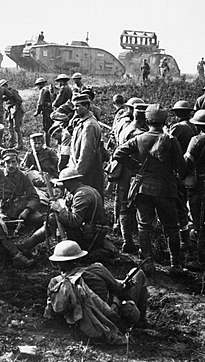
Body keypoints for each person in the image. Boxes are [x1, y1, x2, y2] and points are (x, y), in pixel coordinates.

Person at [113, 104, 187, 275]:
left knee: (144, 225)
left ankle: (147, 262)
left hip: (143, 189)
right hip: (166, 190)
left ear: (147, 120)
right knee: (171, 228)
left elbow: (118, 154)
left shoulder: (139, 139)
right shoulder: (171, 140)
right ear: (164, 121)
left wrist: (137, 167)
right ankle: (175, 265)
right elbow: (182, 167)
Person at [43, 241, 149, 344]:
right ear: (79, 259)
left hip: (81, 326)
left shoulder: (55, 282)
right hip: (111, 319)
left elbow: (52, 311)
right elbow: (119, 289)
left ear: (57, 263)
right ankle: (141, 323)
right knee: (138, 273)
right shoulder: (96, 269)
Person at [19, 168, 105, 254]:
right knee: (52, 217)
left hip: (89, 237)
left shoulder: (81, 196)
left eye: (64, 182)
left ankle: (27, 245)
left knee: (52, 219)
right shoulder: (83, 190)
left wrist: (59, 209)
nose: (63, 185)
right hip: (89, 231)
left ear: (70, 182)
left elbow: (75, 221)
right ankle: (28, 244)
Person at [183, 110, 205, 271]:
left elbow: (187, 162)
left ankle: (200, 259)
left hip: (198, 185)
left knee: (198, 221)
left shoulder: (196, 140)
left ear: (197, 125)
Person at [114, 102, 148, 254]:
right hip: (132, 174)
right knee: (133, 206)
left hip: (124, 172)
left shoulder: (126, 127)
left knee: (123, 205)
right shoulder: (138, 133)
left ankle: (127, 241)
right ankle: (130, 242)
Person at [169, 100, 198, 248]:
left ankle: (183, 239)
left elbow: (167, 145)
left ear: (177, 114)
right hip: (192, 170)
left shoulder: (178, 128)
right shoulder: (195, 126)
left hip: (179, 171)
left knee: (178, 204)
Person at [0, 148, 42, 229]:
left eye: (13, 162)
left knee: (38, 218)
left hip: (19, 209)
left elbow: (34, 197)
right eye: (8, 162)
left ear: (18, 161)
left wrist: (26, 210)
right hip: (1, 209)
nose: (11, 165)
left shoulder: (23, 176)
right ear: (4, 163)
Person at [69, 93, 104, 196]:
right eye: (74, 106)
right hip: (84, 169)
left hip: (89, 172)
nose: (75, 109)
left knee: (89, 200)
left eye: (78, 106)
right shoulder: (82, 122)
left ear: (87, 106)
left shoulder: (89, 125)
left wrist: (77, 175)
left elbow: (86, 154)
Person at [0, 79, 25, 150]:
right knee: (10, 127)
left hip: (16, 111)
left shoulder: (13, 91)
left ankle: (20, 144)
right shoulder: (5, 94)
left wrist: (15, 107)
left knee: (16, 127)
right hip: (10, 111)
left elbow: (19, 100)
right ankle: (11, 142)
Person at [34, 77, 53, 146]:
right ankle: (48, 143)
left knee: (46, 128)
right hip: (49, 110)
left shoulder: (43, 90)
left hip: (46, 111)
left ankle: (47, 144)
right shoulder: (47, 90)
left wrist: (37, 112)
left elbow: (40, 103)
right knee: (48, 127)